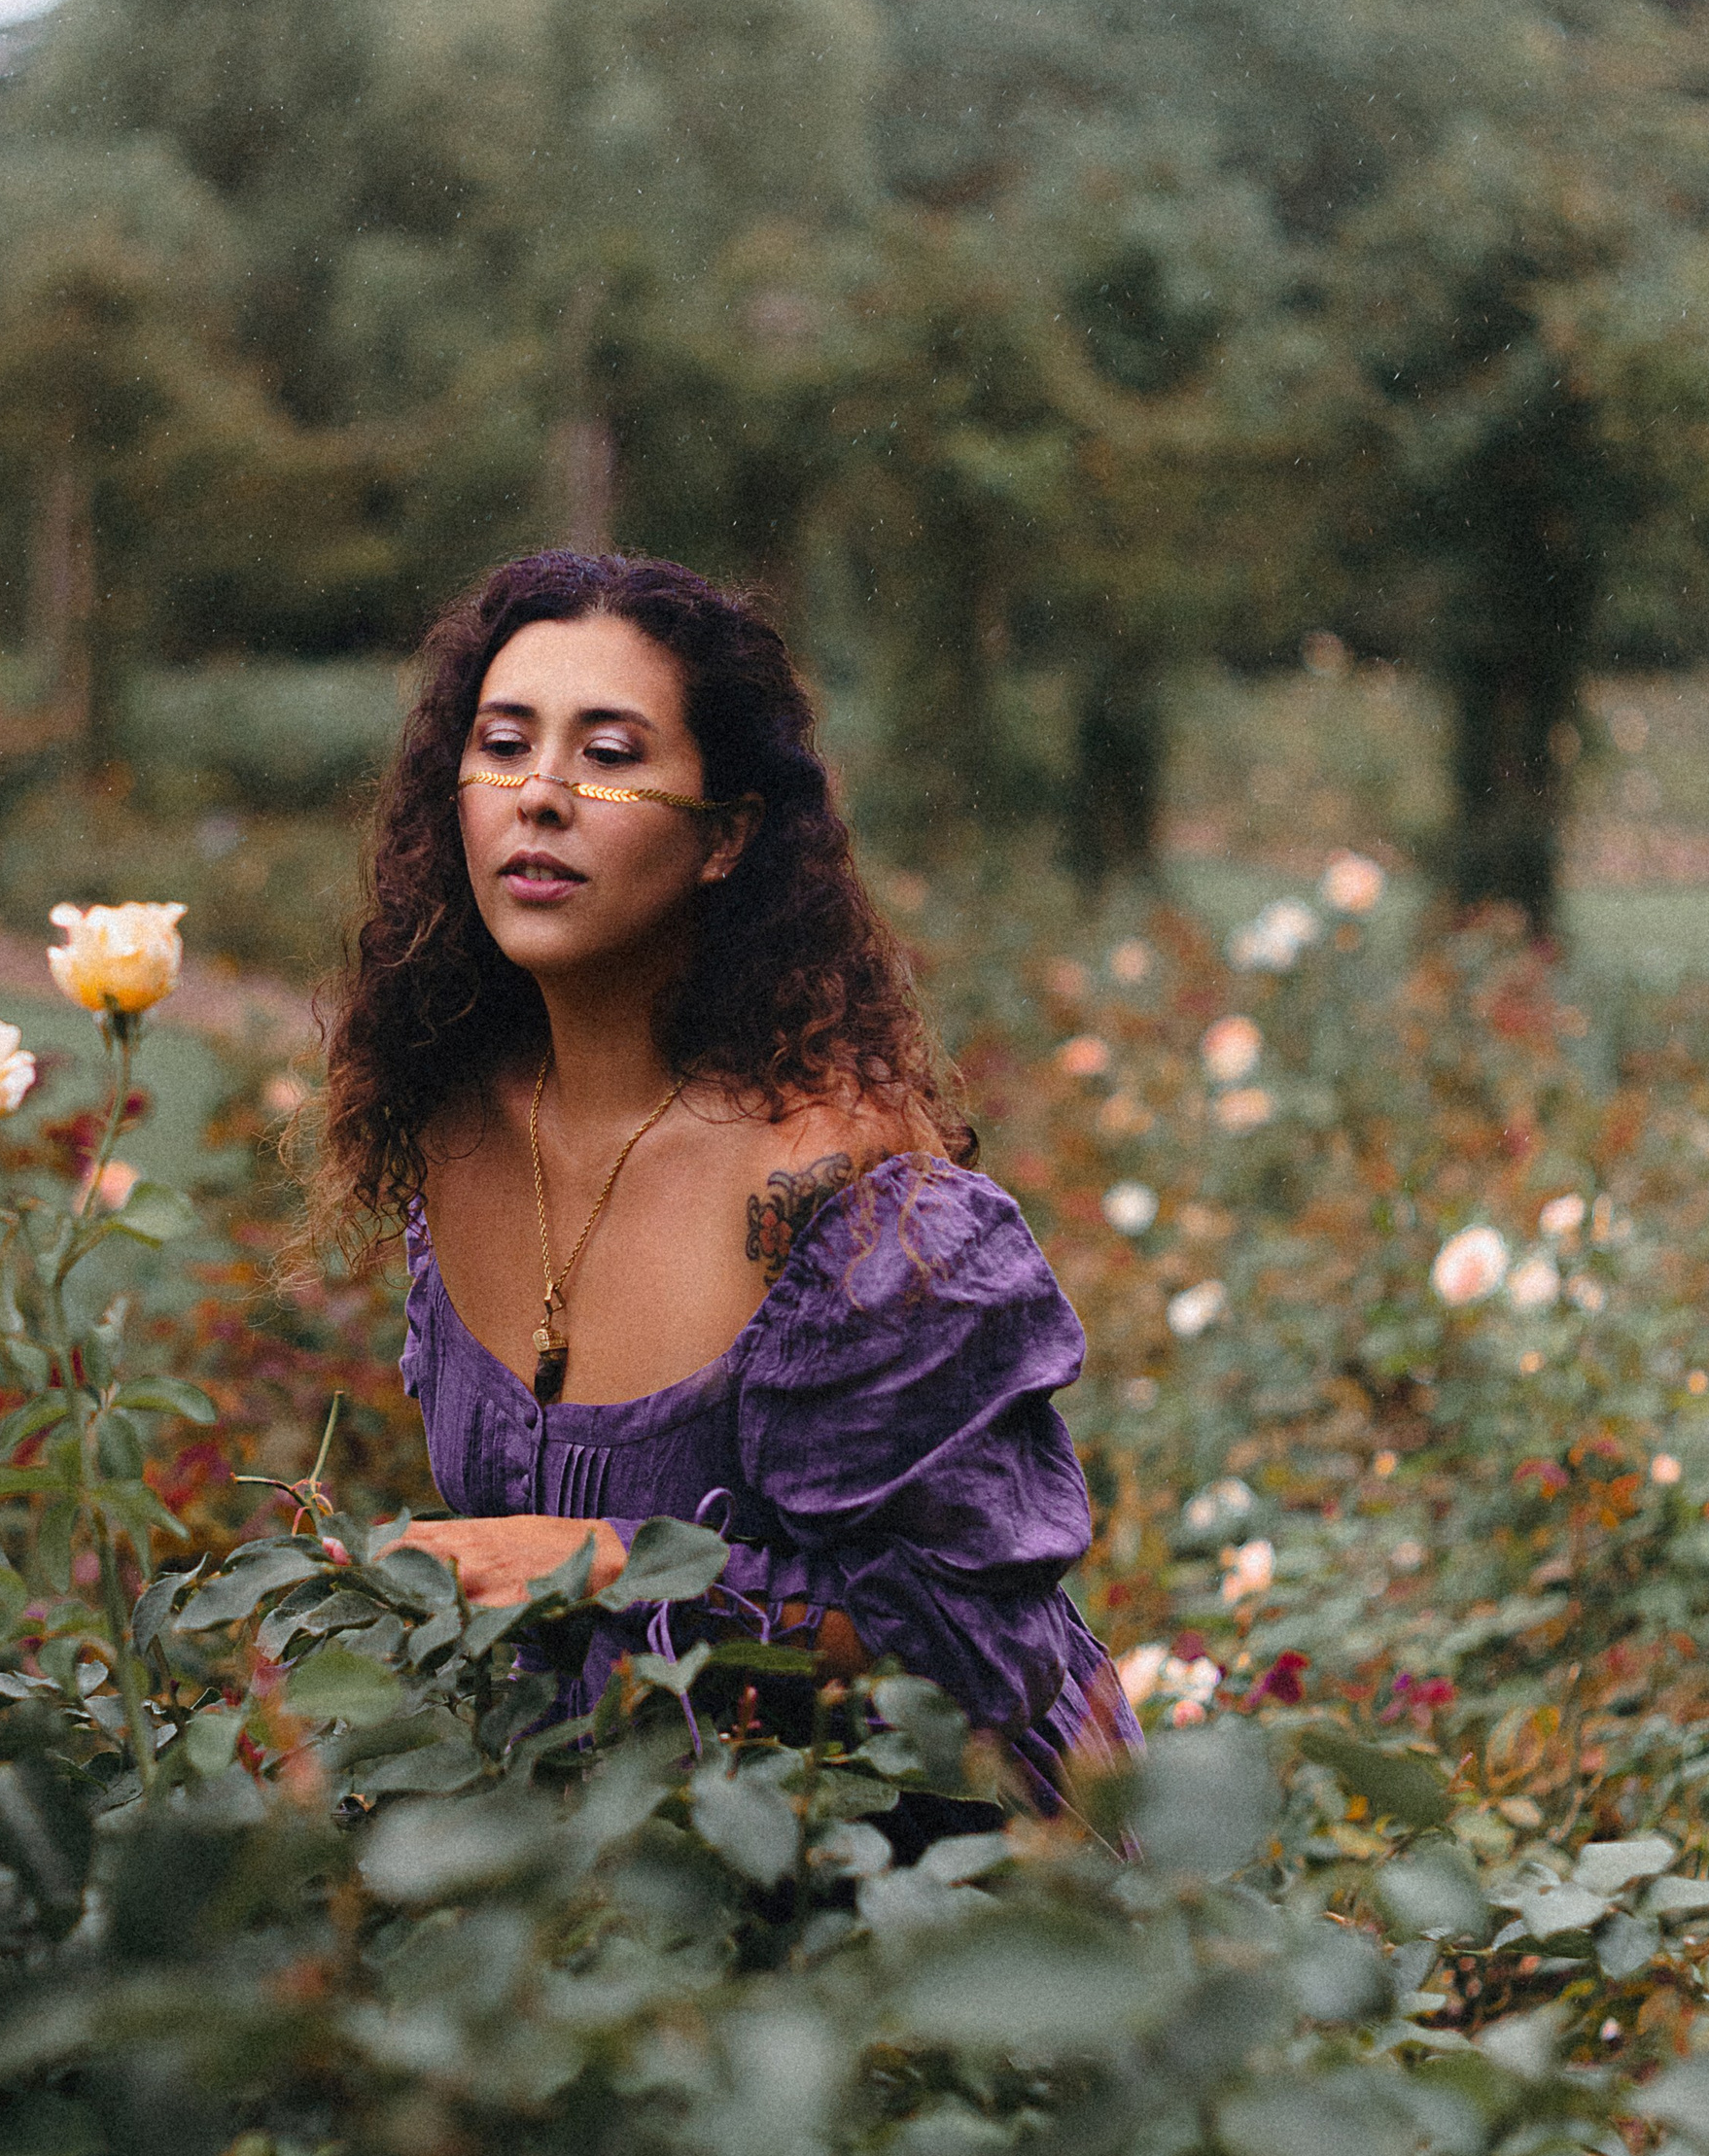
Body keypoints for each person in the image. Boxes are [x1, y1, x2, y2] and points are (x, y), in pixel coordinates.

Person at [311, 549, 1136, 1815]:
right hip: (614, 1836)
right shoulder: (456, 1126)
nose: (541, 797)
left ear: (726, 837)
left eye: (609, 754)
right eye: (504, 745)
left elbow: (977, 1653)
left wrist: (600, 1562)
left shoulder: (842, 1197)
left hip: (915, 1850)